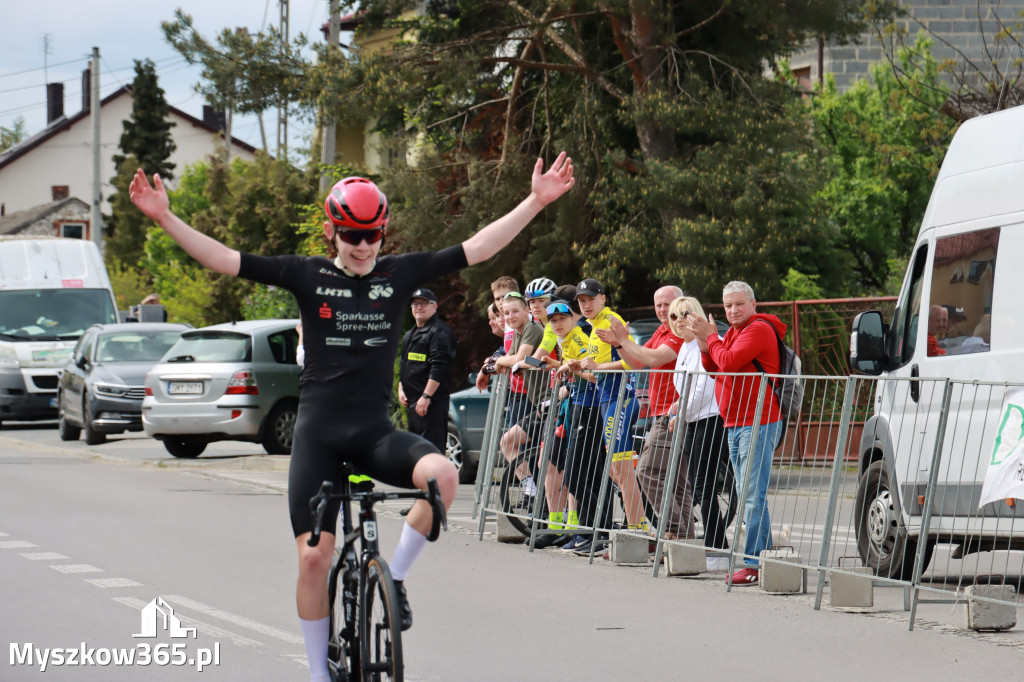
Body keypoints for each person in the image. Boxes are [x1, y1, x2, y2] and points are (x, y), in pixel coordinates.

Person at [128, 153, 574, 682]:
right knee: (315, 559)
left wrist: (537, 200)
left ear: (384, 232)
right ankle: (318, 672)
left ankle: (398, 578)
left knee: (445, 477)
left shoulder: (400, 273)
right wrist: (164, 217)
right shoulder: (306, 274)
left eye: (372, 236)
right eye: (350, 235)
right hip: (318, 437)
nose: (362, 247)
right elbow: (226, 259)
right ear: (330, 231)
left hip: (373, 433)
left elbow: (478, 247)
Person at [684, 281, 785, 586]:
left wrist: (711, 337)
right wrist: (705, 346)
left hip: (757, 419)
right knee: (749, 494)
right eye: (728, 306)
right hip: (736, 421)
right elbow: (716, 368)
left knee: (752, 494)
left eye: (739, 304)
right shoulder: (734, 332)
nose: (733, 310)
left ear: (753, 304)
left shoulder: (758, 329)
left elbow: (727, 361)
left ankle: (754, 562)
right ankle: (761, 558)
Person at [599, 286, 692, 539]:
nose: (663, 310)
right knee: (677, 482)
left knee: (647, 472)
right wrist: (619, 343)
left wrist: (624, 341)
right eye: (658, 305)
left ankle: (673, 531)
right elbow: (636, 362)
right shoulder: (662, 330)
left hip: (673, 414)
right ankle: (684, 539)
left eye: (667, 304)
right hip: (662, 413)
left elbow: (653, 359)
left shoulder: (679, 331)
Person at [570, 278, 648, 531]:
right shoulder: (594, 325)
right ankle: (636, 522)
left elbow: (632, 362)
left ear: (603, 298)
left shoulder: (611, 320)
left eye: (591, 299)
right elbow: (597, 374)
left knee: (620, 468)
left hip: (620, 399)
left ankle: (638, 527)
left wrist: (597, 366)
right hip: (607, 399)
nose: (586, 305)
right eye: (581, 301)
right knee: (617, 470)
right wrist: (579, 368)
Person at [665, 296, 732, 572]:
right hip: (695, 419)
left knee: (704, 488)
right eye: (674, 316)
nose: (680, 320)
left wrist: (682, 411)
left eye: (685, 314)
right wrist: (679, 405)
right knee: (699, 486)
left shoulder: (698, 345)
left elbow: (703, 387)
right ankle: (718, 547)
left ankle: (717, 550)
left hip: (709, 418)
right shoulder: (685, 346)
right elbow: (688, 388)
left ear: (698, 315)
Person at [494, 291, 546, 495]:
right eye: (506, 313)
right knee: (508, 442)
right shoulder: (519, 332)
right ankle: (531, 490)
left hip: (548, 399)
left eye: (515, 311)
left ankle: (535, 494)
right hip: (539, 402)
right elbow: (512, 358)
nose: (510, 317)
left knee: (512, 443)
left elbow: (521, 358)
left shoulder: (532, 328)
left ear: (526, 311)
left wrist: (500, 361)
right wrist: (502, 360)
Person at [398, 288, 457, 452]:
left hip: (431, 403)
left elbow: (439, 367)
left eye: (424, 303)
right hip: (413, 403)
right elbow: (405, 363)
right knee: (416, 450)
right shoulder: (410, 334)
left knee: (430, 451)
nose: (419, 307)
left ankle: (434, 479)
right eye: (415, 303)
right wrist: (401, 387)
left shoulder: (439, 332)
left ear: (435, 306)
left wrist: (426, 396)